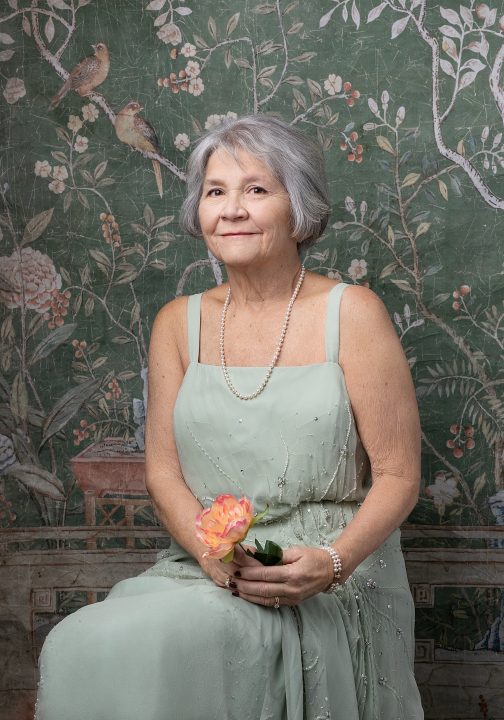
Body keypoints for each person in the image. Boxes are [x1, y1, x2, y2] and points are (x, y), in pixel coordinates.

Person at [36, 114, 424, 719]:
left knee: (138, 644)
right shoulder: (177, 322)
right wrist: (210, 551)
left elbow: (400, 474)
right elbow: (162, 471)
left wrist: (332, 563)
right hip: (213, 567)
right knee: (82, 641)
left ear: (298, 209)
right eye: (216, 192)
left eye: (256, 190)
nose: (231, 210)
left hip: (327, 571)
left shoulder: (354, 313)